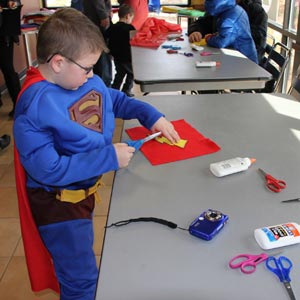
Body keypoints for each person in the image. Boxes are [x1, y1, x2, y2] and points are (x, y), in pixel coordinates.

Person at [13, 8, 179, 300]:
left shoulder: (79, 79)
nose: (93, 75)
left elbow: (110, 98)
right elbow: (48, 170)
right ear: (58, 62)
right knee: (81, 281)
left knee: (83, 268)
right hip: (59, 206)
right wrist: (108, 158)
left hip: (82, 193)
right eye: (87, 68)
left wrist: (149, 114)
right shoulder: (34, 107)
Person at [188, 0, 258, 64]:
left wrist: (209, 38)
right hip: (240, 55)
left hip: (243, 60)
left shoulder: (229, 19)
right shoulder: (234, 9)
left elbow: (222, 41)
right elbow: (229, 34)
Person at [107, 4, 135, 97]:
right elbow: (134, 42)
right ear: (128, 16)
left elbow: (108, 39)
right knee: (132, 74)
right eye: (131, 18)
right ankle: (126, 90)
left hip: (117, 57)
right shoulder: (130, 29)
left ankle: (114, 91)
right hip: (127, 57)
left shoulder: (112, 28)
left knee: (119, 74)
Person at [83, 0, 113, 87]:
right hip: (96, 21)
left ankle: (101, 84)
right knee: (102, 54)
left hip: (93, 19)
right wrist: (104, 16)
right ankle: (104, 86)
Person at [0, 0, 21, 117]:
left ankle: (18, 105)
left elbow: (16, 2)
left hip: (4, 34)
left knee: (8, 69)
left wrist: (13, 3)